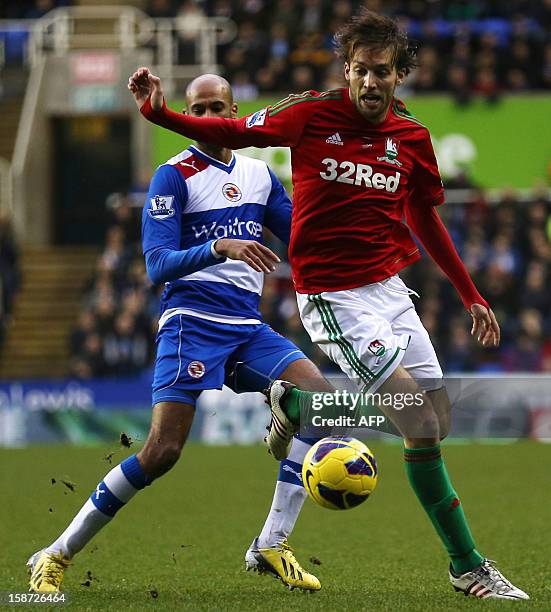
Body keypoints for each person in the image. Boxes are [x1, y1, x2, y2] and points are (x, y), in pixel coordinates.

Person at [127, 9, 528, 601]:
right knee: (415, 419)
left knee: (436, 423)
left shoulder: (412, 138)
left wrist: (469, 291)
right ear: (347, 70)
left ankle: (300, 404)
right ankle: (468, 566)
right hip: (334, 296)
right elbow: (236, 134)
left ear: (398, 76)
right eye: (361, 70)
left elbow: (424, 215)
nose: (370, 82)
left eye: (382, 72)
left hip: (390, 291)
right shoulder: (312, 113)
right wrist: (160, 114)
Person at [27, 74, 340, 594]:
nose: (210, 116)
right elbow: (157, 264)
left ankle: (269, 544)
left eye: (218, 106)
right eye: (199, 107)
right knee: (162, 451)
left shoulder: (262, 175)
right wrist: (220, 247)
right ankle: (56, 553)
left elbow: (302, 242)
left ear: (234, 109)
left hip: (246, 324)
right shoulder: (173, 176)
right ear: (188, 115)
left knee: (320, 403)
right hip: (190, 323)